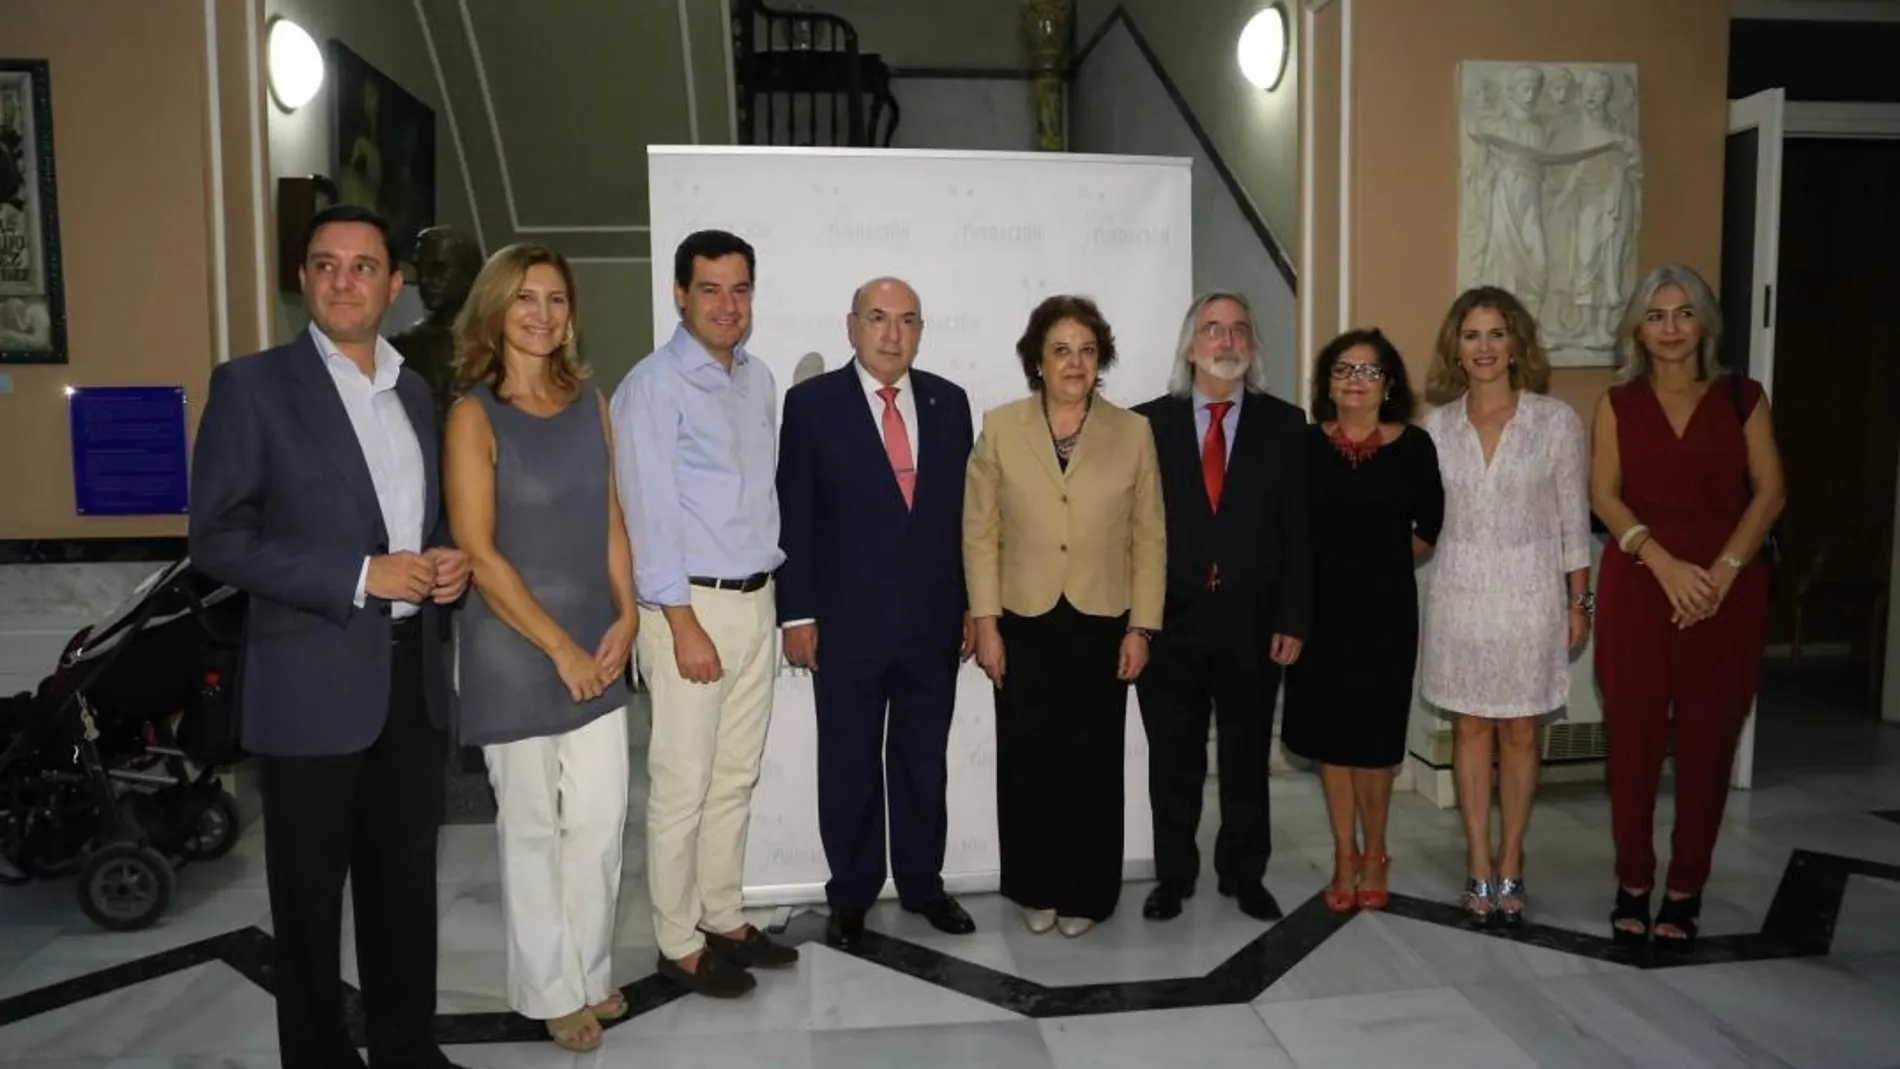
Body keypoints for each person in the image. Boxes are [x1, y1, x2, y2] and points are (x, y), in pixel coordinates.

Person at [188, 203, 472, 1069]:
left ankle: (406, 1048)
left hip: (410, 685)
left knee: (403, 891)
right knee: (309, 906)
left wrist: (442, 562)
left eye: (361, 266)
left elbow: (417, 521)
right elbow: (219, 539)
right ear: (305, 280)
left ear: (394, 284)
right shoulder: (252, 386)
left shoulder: (416, 390)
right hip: (310, 686)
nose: (343, 281)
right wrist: (360, 573)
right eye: (324, 265)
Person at [442, 243, 636, 1051]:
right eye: (526, 299)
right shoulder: (472, 415)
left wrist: (625, 615)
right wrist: (559, 647)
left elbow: (613, 521)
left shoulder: (592, 401)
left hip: (598, 639)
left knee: (600, 816)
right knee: (529, 826)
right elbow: (478, 553)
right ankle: (550, 990)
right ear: (495, 309)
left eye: (557, 299)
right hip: (513, 645)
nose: (543, 314)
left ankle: (589, 969)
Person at [610, 229, 798, 998]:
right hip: (688, 607)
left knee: (734, 777)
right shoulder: (651, 387)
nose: (728, 304)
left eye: (741, 288)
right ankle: (677, 940)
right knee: (682, 782)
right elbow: (647, 510)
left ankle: (723, 913)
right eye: (711, 288)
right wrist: (681, 621)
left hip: (757, 601)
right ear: (679, 295)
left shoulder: (758, 381)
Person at [776, 276, 979, 949]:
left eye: (907, 320)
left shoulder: (949, 403)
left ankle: (923, 883)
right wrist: (796, 613)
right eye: (878, 318)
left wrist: (976, 607)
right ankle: (853, 891)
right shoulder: (811, 405)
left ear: (920, 330)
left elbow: (966, 521)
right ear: (852, 326)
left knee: (924, 759)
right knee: (849, 760)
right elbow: (796, 516)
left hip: (933, 621)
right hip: (845, 623)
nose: (892, 334)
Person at [1590, 264, 1783, 949]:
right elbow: (1605, 496)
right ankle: (1634, 881)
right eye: (1655, 315)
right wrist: (1665, 564)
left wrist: (1723, 572)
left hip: (1726, 592)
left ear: (1705, 322)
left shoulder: (1742, 397)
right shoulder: (1617, 402)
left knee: (1708, 742)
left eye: (1683, 312)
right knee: (1632, 743)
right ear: (1637, 330)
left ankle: (1686, 888)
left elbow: (1770, 492)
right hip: (1641, 585)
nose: (1670, 327)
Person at [964, 294, 1166, 938]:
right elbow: (980, 533)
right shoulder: (1000, 427)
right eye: (1061, 350)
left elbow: (1150, 537)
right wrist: (986, 622)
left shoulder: (1133, 433)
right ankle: (1035, 885)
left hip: (1101, 619)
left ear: (1100, 357)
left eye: (1086, 350)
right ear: (1037, 361)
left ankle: (1087, 892)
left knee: (1092, 762)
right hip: (1021, 619)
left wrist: (1143, 626)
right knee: (1026, 761)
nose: (1075, 362)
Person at [1131, 291, 1310, 923]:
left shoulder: (1287, 426)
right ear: (1190, 345)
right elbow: (1131, 530)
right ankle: (1173, 877)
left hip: (1254, 626)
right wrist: (1137, 622)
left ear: (1253, 347)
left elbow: (1299, 531)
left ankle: (1244, 873)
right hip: (1169, 624)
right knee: (1172, 761)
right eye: (1212, 329)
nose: (1226, 341)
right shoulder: (1145, 425)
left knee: (1244, 760)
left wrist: (1293, 617)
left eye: (1239, 330)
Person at [1419, 285, 1592, 928]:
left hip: (1530, 596)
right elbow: (1420, 520)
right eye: (1472, 335)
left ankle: (1513, 859)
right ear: (1456, 350)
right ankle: (1478, 862)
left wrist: (1581, 601)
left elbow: (1574, 521)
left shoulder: (1555, 421)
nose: (1484, 347)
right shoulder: (1435, 428)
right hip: (1460, 595)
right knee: (1467, 728)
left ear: (1516, 343)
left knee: (1520, 731)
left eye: (1496, 333)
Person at [1282, 329, 1443, 914]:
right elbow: (1289, 527)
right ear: (1327, 383)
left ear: (1389, 383)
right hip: (1318, 615)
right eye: (1343, 369)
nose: (1354, 379)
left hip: (1384, 613)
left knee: (1374, 744)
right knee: (1332, 743)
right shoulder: (1304, 445)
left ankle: (1376, 851)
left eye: (1369, 370)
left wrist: (1376, 561)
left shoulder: (1415, 446)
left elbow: (1428, 528)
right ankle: (1343, 856)